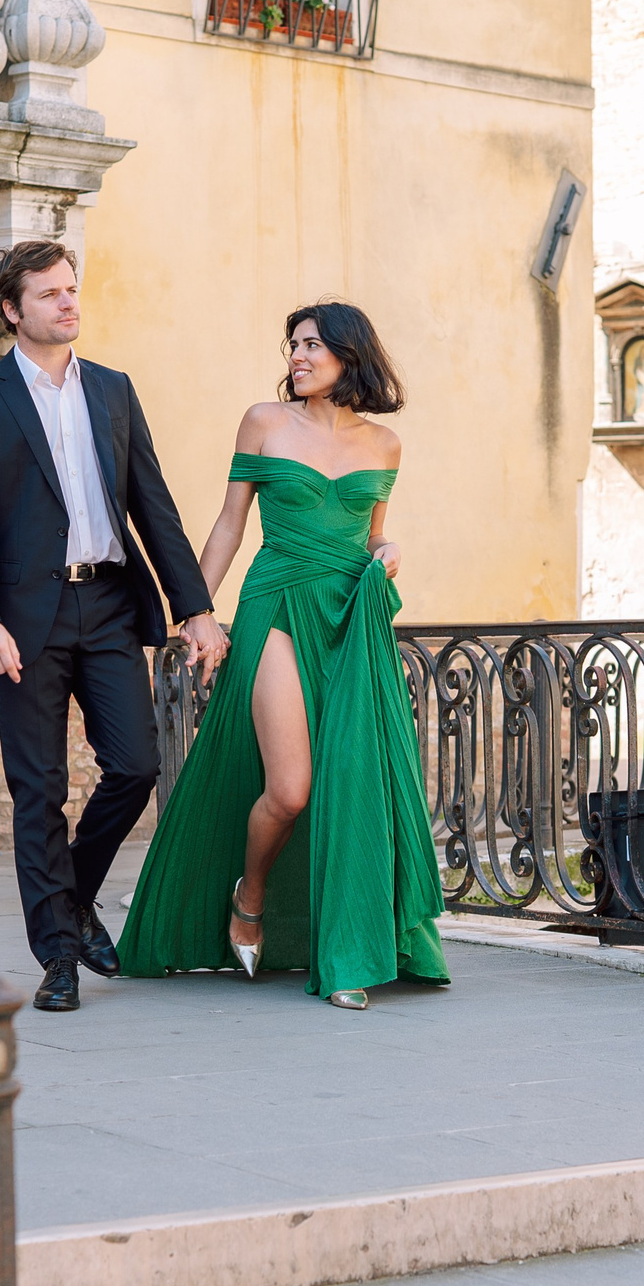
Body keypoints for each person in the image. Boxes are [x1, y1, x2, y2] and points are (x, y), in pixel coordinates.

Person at [116, 301, 448, 1009]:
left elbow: (370, 535)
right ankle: (251, 893)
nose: (295, 358)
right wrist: (194, 613)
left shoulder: (384, 445)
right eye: (292, 347)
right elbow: (230, 525)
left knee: (352, 783)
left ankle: (347, 950)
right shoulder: (264, 423)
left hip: (348, 619)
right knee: (291, 788)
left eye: (310, 346)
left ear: (348, 355)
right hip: (275, 607)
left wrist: (386, 552)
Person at [0, 240, 228, 1013]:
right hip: (23, 619)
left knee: (135, 766)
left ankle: (67, 901)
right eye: (50, 295)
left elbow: (153, 505)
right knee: (38, 789)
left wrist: (193, 606)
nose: (69, 304)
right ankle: (59, 956)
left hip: (106, 605)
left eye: (72, 291)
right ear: (12, 309)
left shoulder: (112, 390)